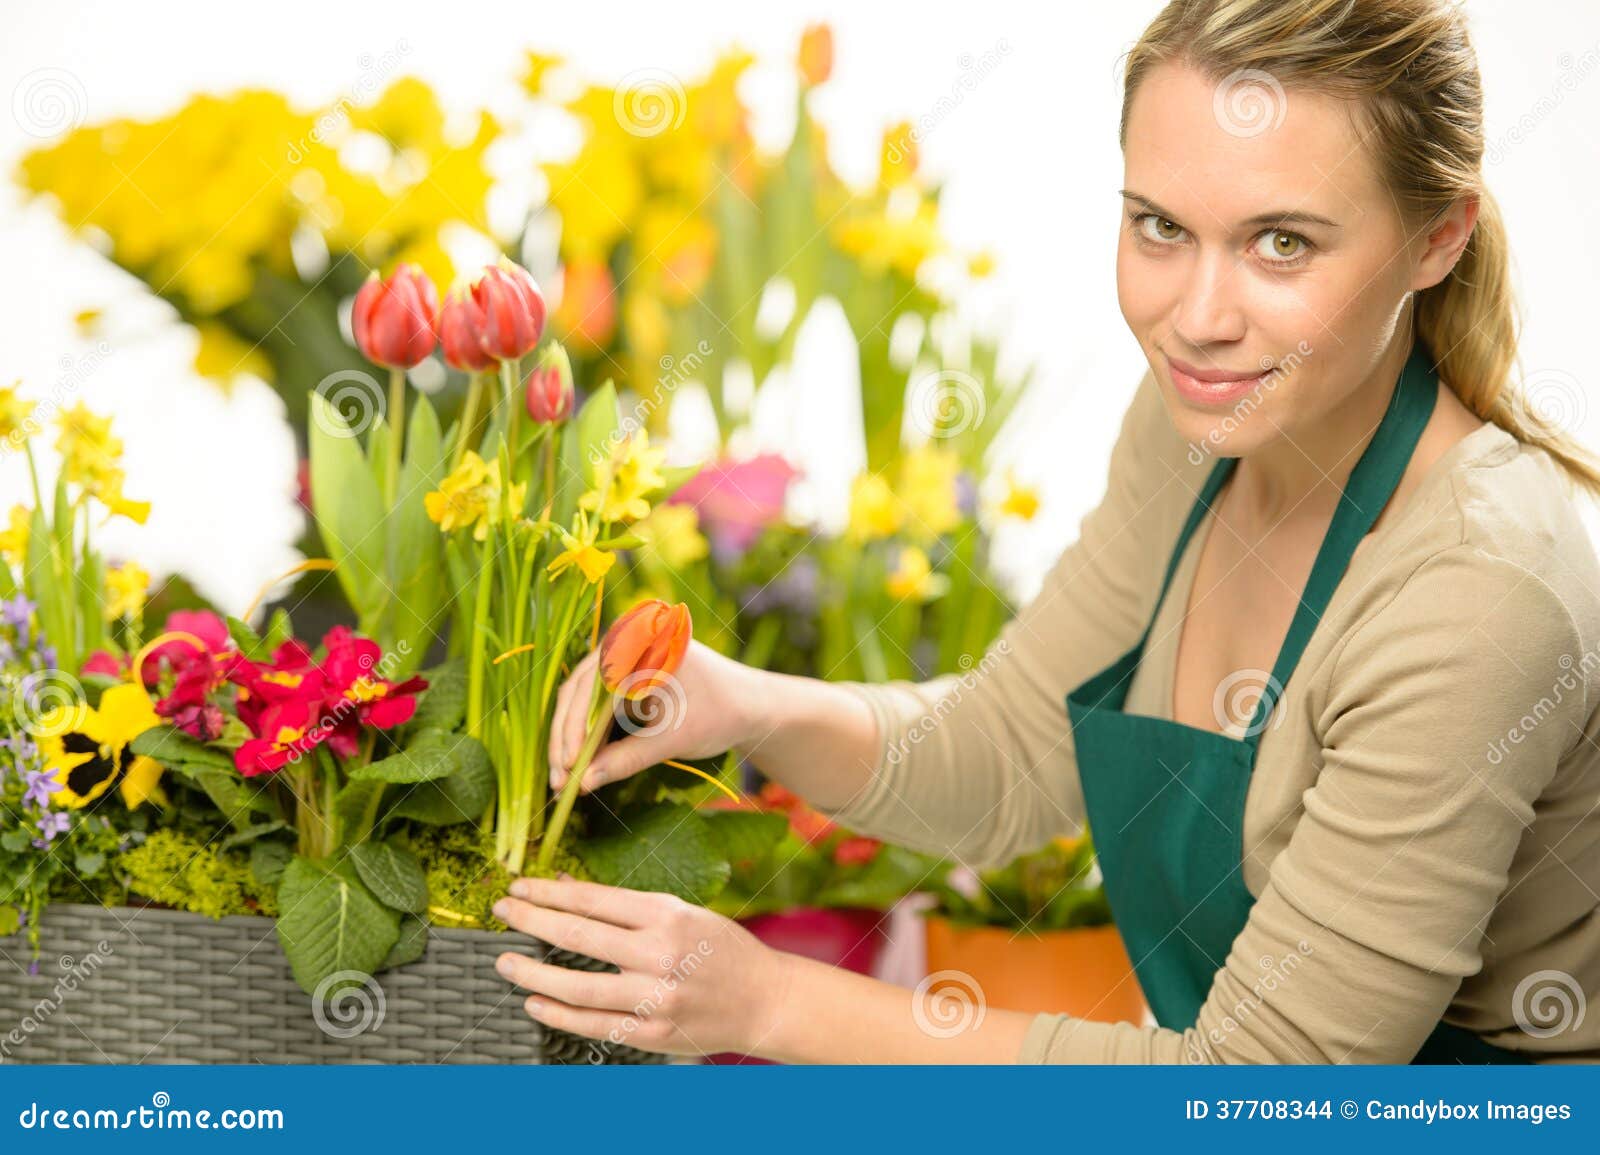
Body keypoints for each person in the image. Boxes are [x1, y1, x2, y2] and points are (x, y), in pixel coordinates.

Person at [491, 0, 1600, 1063]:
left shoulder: (1475, 593)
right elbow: (1012, 749)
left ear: (1436, 239)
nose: (1199, 319)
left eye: (1282, 245)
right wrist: (746, 704)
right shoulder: (1208, 426)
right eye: (1160, 227)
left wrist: (770, 1001)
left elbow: (1262, 1089)